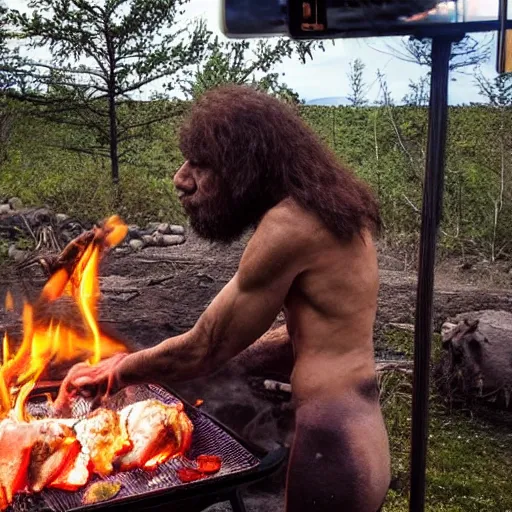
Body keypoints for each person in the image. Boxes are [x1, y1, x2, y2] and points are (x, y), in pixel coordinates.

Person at [56, 84, 391, 512]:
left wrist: (118, 372)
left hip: (334, 439)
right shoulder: (329, 208)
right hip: (355, 428)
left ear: (245, 165)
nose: (181, 178)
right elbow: (309, 334)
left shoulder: (290, 226)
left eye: (201, 164)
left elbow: (206, 344)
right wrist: (231, 364)